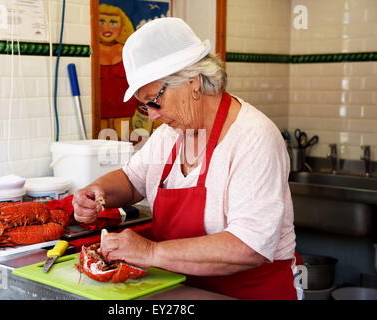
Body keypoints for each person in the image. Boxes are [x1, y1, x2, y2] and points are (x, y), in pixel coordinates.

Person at [73, 17, 302, 300]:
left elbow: (248, 247)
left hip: (252, 292)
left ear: (192, 81)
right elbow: (133, 182)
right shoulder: (170, 134)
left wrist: (150, 251)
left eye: (154, 100)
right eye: (144, 106)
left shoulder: (254, 137)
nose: (153, 115)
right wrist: (98, 191)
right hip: (184, 289)